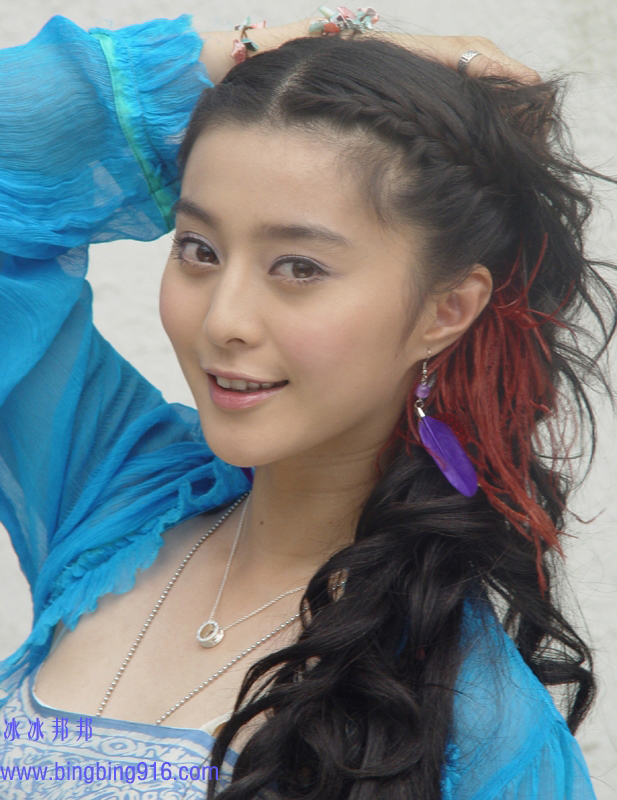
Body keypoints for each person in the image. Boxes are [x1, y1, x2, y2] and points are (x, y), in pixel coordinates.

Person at [0, 9, 612, 800]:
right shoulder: (114, 492)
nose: (224, 319)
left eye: (298, 268)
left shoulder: (472, 723)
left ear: (445, 310)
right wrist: (266, 54)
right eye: (199, 250)